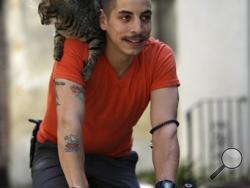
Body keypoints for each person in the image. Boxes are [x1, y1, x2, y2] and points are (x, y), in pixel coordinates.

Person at [31, 0, 180, 187]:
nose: (138, 28)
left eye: (145, 17)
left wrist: (166, 184)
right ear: (103, 20)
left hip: (114, 160)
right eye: (125, 17)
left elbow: (165, 129)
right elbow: (70, 123)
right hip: (57, 155)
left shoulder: (160, 58)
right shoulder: (75, 47)